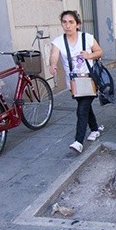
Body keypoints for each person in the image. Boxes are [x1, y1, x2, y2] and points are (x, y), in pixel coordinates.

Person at [49, 10, 104, 154]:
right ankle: (95, 128)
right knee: (84, 106)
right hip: (73, 83)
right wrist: (53, 65)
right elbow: (54, 55)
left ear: (78, 24)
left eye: (71, 22)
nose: (67, 25)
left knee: (82, 109)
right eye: (64, 22)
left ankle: (78, 141)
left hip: (89, 80)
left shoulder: (87, 38)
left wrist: (89, 55)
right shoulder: (58, 41)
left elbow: (99, 52)